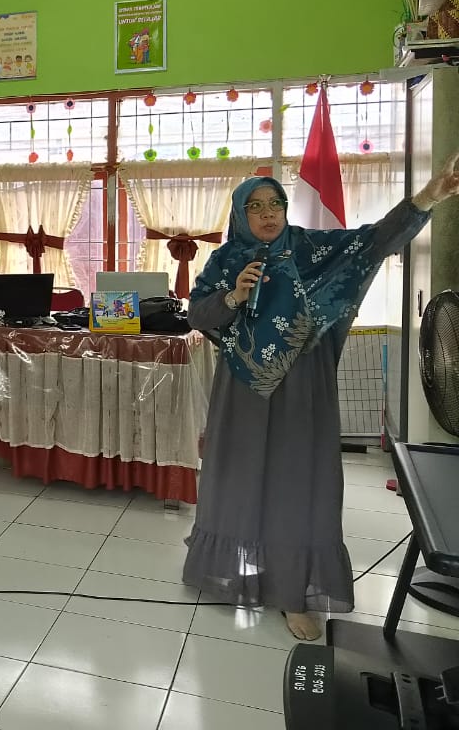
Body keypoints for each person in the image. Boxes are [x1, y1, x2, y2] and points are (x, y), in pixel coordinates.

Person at [183, 159, 459, 643]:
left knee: (297, 482)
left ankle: (293, 590)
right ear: (240, 214)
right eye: (255, 206)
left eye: (275, 203)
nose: (268, 213)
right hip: (243, 391)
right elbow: (197, 315)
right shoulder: (225, 260)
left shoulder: (312, 249)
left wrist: (427, 197)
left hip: (301, 387)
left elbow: (373, 242)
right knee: (241, 478)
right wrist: (232, 297)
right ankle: (239, 572)